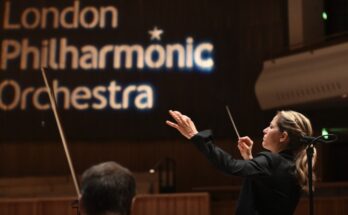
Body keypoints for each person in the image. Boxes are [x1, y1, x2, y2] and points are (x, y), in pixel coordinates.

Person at [166, 110, 317, 215]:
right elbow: (268, 195)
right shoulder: (291, 166)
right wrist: (249, 159)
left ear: (283, 136)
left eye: (271, 127)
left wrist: (195, 135)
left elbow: (230, 166)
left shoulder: (273, 161)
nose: (265, 130)